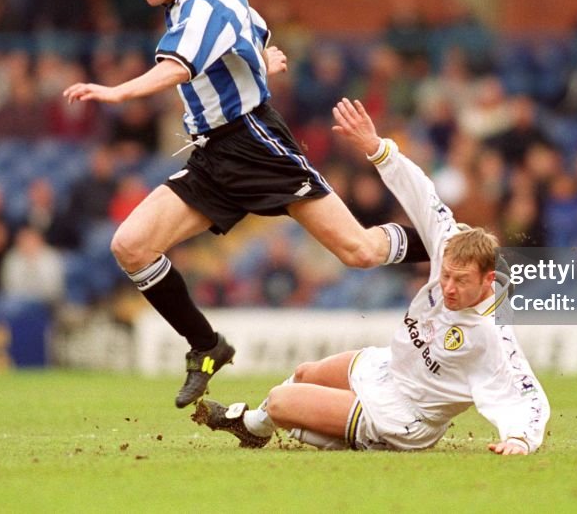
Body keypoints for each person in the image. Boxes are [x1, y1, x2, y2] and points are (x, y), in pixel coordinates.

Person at [63, 0, 424, 408]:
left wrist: (117, 90)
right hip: (213, 154)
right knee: (131, 246)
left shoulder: (202, 0)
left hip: (254, 143)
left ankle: (452, 244)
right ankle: (207, 346)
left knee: (358, 250)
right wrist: (260, 61)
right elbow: (251, 33)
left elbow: (177, 67)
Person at [192, 98, 549, 455]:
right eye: (446, 276)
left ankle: (262, 426)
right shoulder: (450, 246)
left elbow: (525, 391)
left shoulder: (491, 334)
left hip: (404, 416)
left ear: (488, 281)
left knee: (281, 402)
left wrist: (519, 439)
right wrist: (378, 148)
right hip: (388, 368)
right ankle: (292, 429)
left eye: (461, 281)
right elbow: (422, 193)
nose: (449, 287)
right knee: (304, 374)